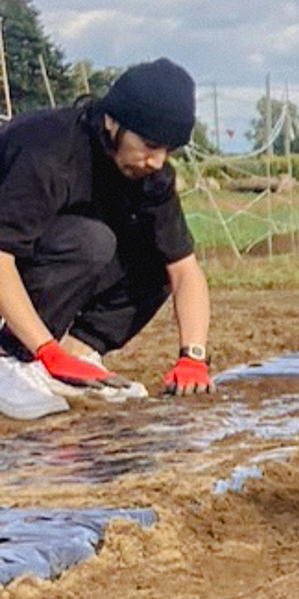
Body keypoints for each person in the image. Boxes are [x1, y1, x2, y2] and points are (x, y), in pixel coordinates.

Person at [0, 59, 214, 421]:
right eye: (149, 145)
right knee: (90, 241)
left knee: (154, 258)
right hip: (9, 261)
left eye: (169, 151)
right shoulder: (45, 149)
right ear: (112, 121)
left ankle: (75, 357)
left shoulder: (152, 177)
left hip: (33, 267)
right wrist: (43, 349)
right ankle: (11, 358)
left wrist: (192, 358)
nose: (157, 162)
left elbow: (184, 271)